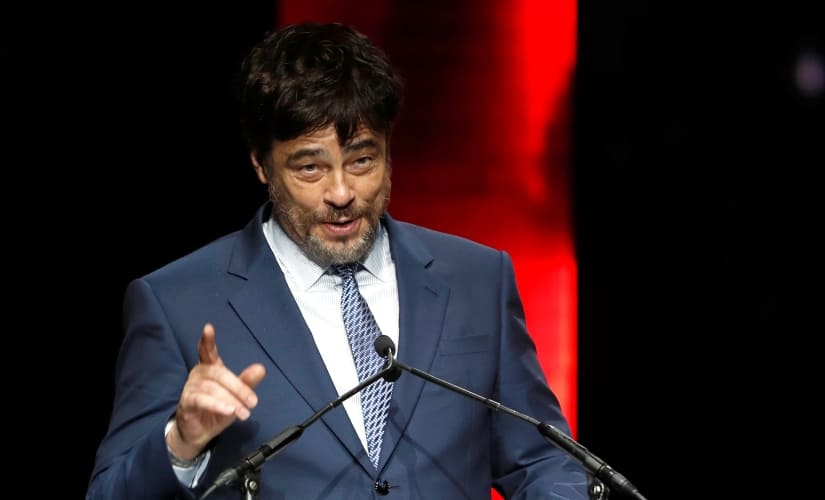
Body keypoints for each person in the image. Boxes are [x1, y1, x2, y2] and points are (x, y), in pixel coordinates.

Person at [86, 21, 590, 499]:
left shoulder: (478, 279)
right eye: (310, 168)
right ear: (261, 164)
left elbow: (542, 462)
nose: (342, 192)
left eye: (362, 160)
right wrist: (181, 442)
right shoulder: (176, 302)